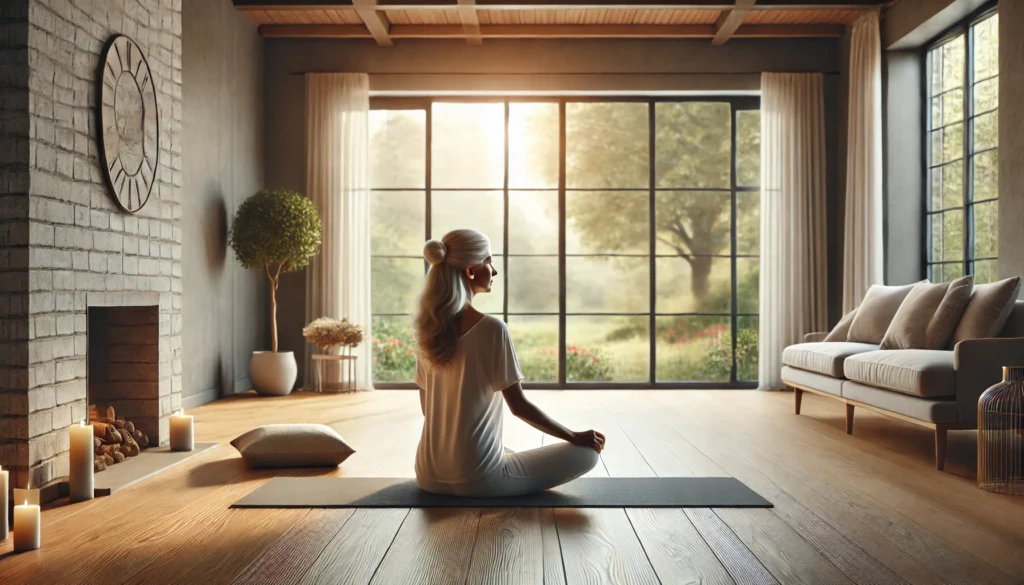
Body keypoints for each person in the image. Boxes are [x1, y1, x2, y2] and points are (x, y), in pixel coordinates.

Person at [413, 228, 605, 498]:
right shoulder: (491, 328)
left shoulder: (426, 329)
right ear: (470, 271)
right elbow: (519, 407)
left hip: (428, 476)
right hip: (478, 481)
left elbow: (427, 410)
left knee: (504, 450)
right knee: (587, 455)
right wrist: (574, 436)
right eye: (489, 261)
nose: (494, 271)